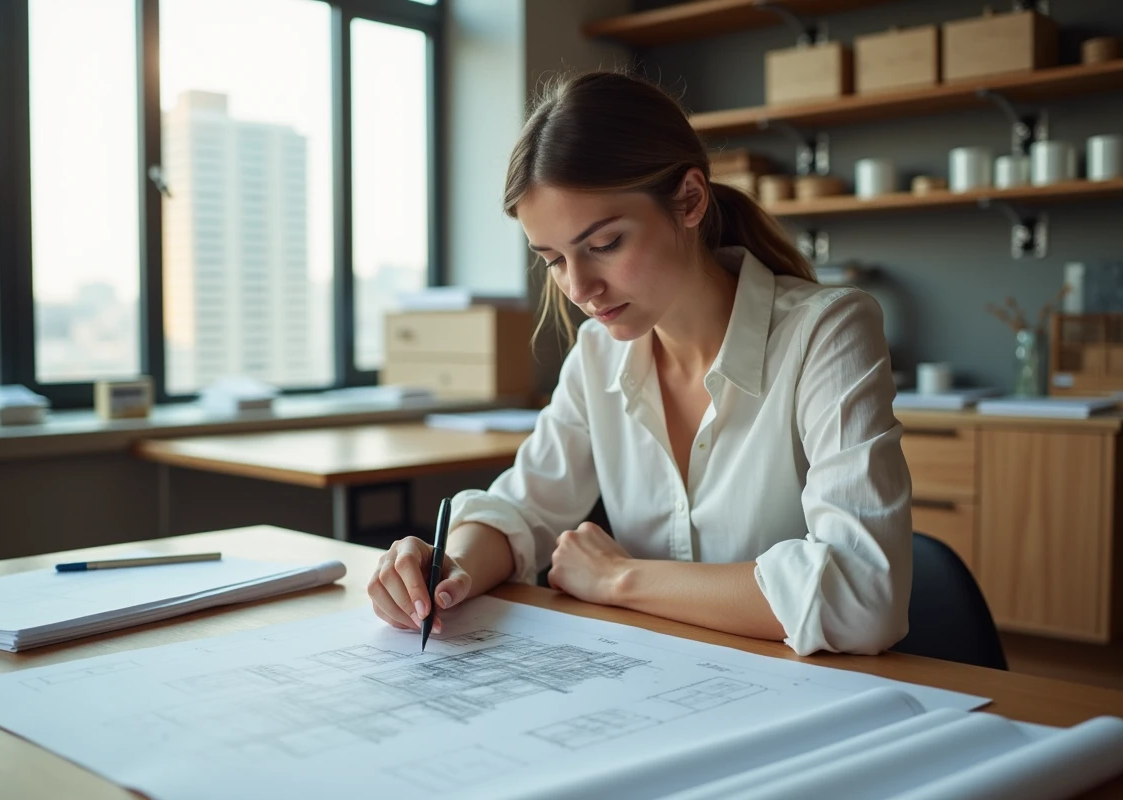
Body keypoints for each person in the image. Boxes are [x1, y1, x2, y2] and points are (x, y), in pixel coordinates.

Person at [367, 70, 912, 656]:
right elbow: (523, 509)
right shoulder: (599, 355)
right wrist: (448, 569)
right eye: (553, 259)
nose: (579, 287)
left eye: (604, 245)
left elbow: (864, 596)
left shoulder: (827, 330)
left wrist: (617, 579)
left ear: (690, 200)